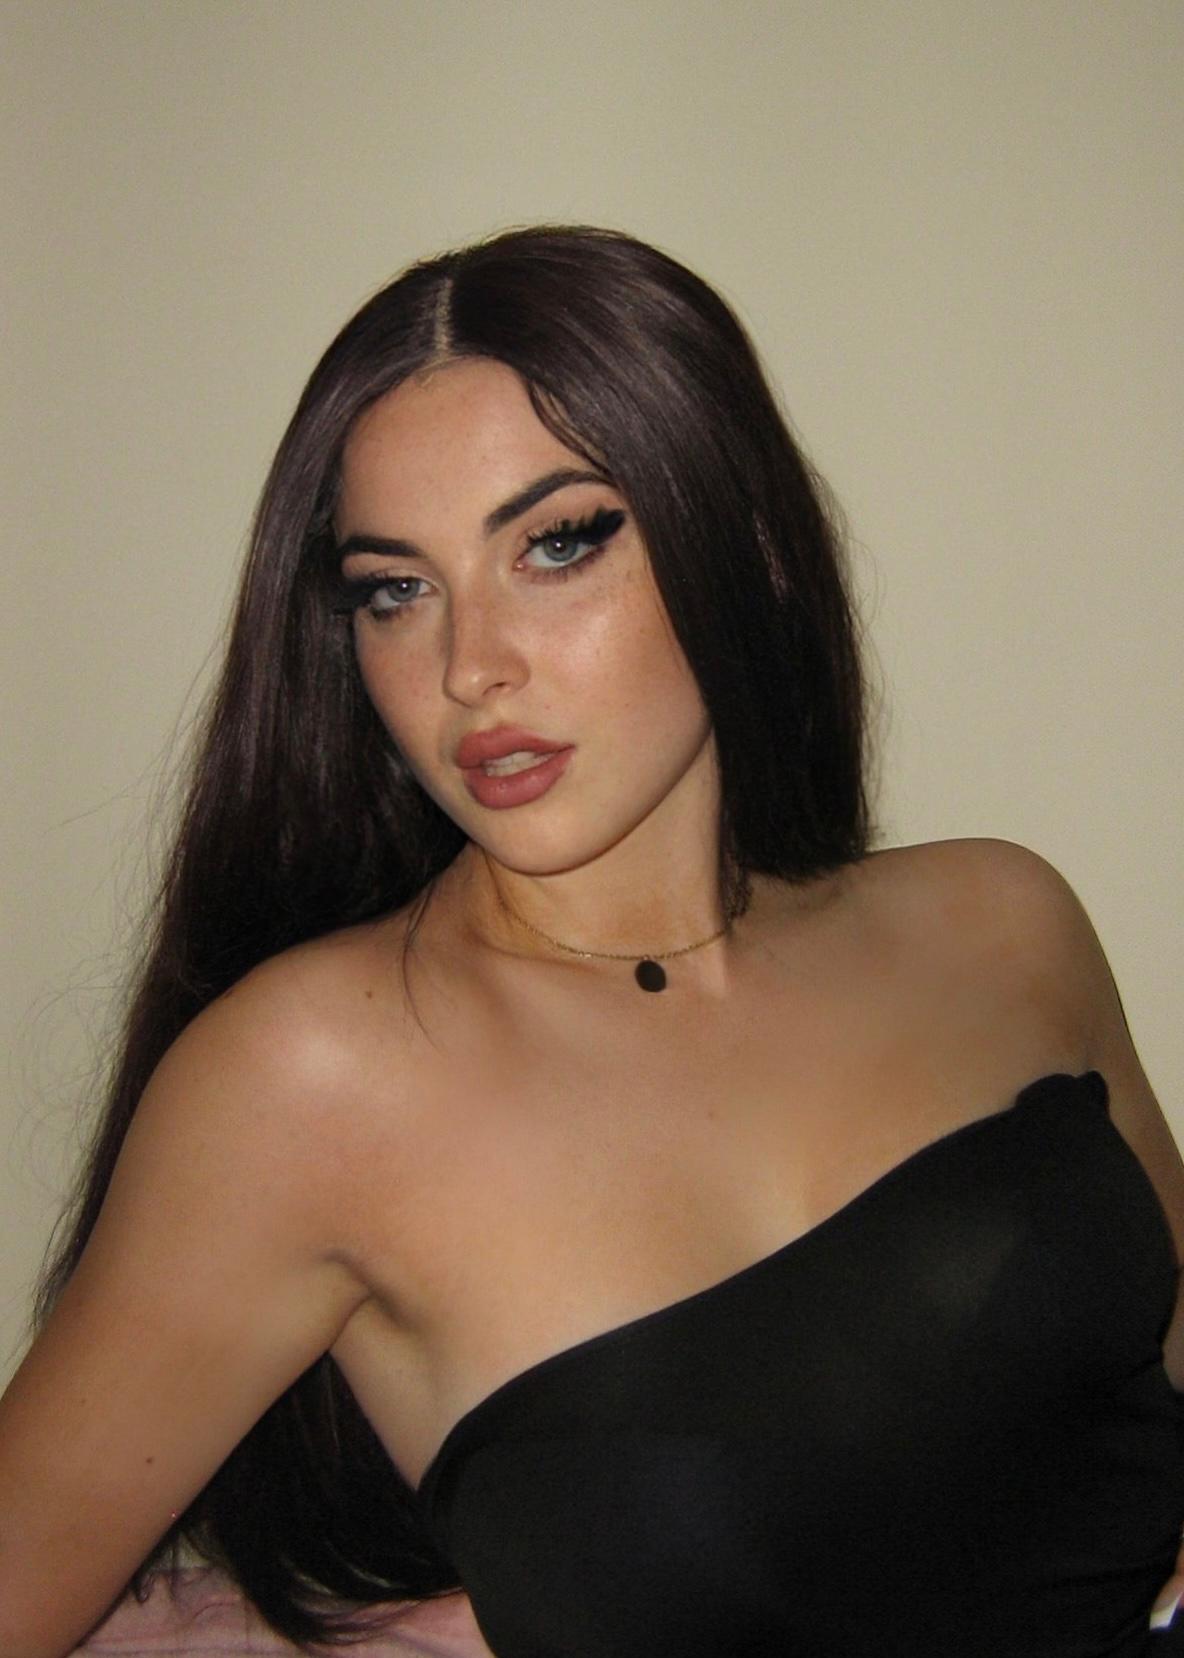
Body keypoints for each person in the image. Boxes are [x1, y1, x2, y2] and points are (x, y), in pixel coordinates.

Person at [1, 225, 1182, 1658]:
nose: (469, 667)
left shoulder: (1004, 925)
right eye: (395, 589)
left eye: (556, 544)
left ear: (750, 545)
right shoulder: (306, 1081)